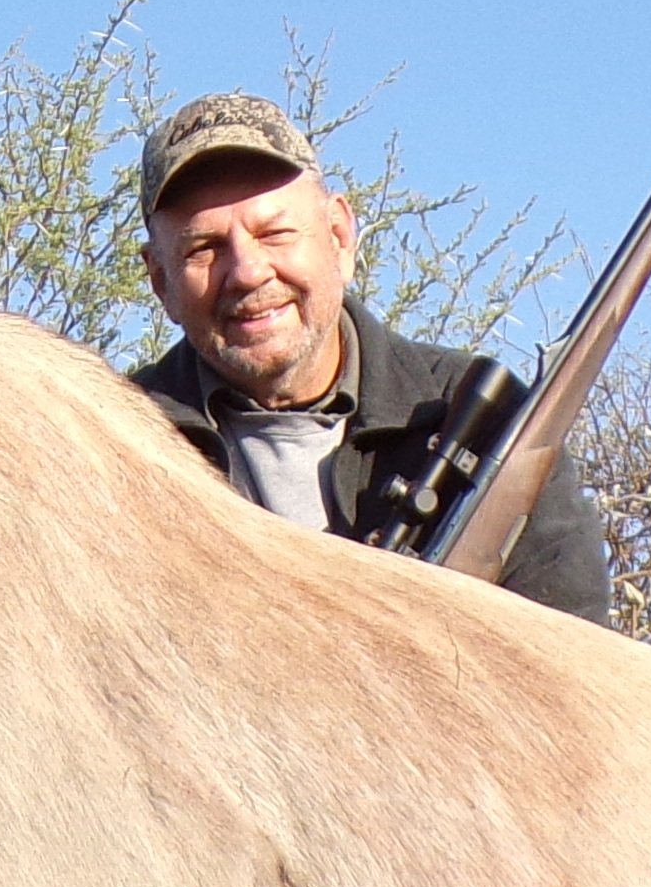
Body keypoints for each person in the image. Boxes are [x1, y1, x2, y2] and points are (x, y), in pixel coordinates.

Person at [124, 90, 614, 624]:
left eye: (275, 233)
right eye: (203, 249)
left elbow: (575, 661)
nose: (247, 272)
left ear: (339, 236)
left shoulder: (484, 421)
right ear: (160, 280)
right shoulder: (117, 442)